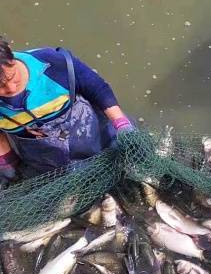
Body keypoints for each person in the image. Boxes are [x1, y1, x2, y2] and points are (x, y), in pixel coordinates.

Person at [0, 39, 133, 183]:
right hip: (47, 160)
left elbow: (98, 88)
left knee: (125, 171)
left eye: (12, 77)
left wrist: (121, 123)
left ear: (11, 57)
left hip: (93, 134)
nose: (11, 89)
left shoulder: (53, 62)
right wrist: (10, 167)